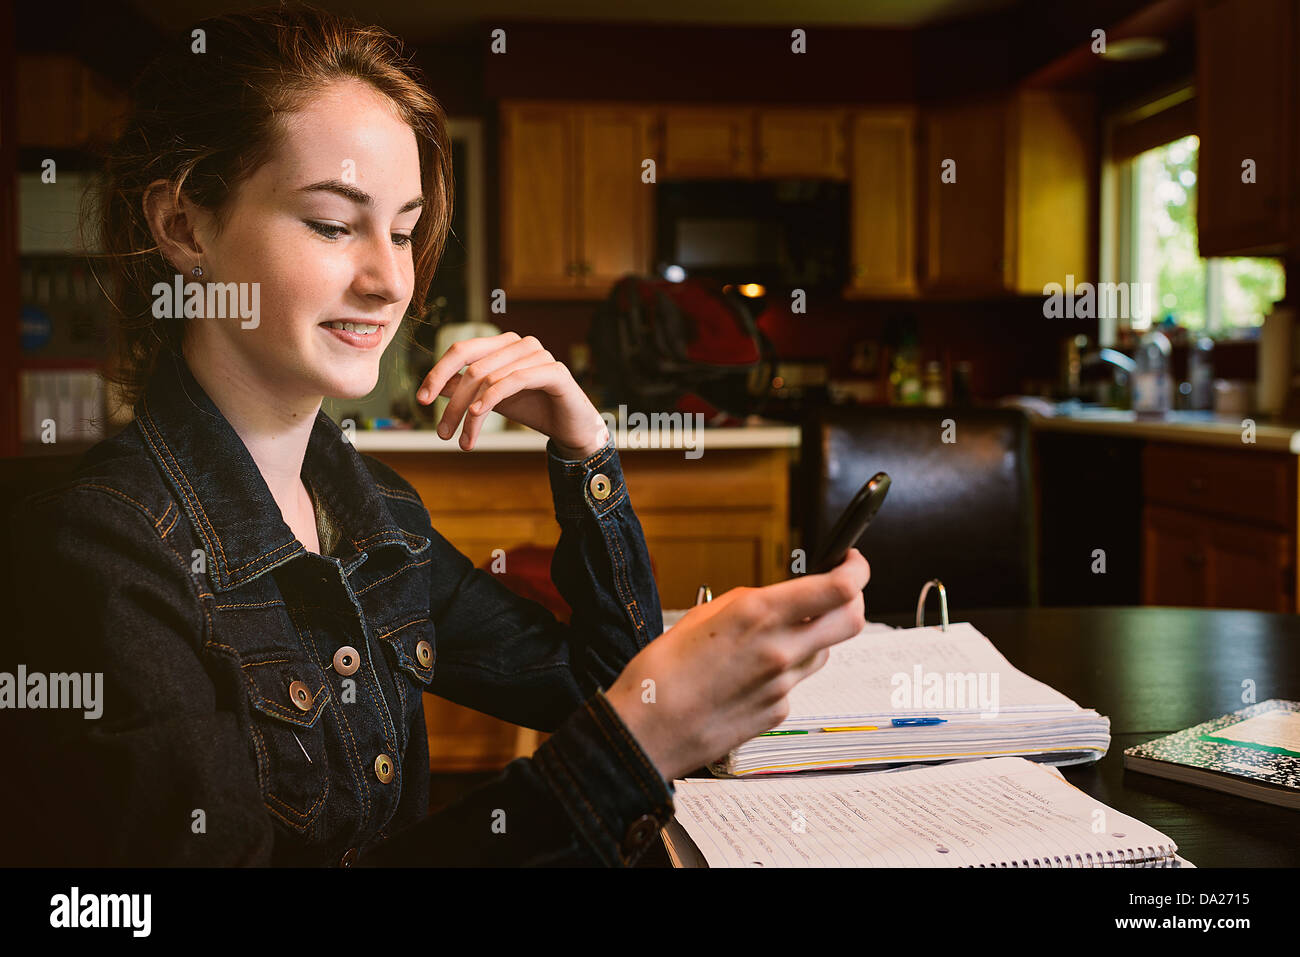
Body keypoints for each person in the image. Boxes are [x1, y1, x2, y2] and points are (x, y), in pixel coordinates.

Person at [7, 4, 870, 867]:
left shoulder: (377, 512)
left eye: (406, 230)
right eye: (333, 223)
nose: (390, 280)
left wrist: (584, 449)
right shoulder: (103, 553)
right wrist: (629, 744)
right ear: (185, 227)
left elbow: (594, 689)